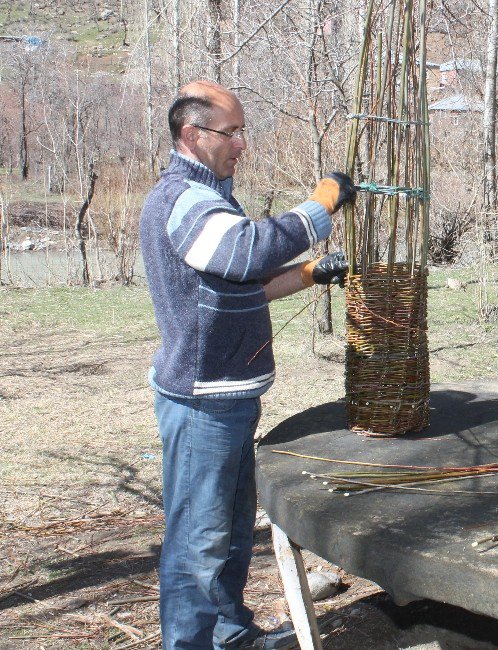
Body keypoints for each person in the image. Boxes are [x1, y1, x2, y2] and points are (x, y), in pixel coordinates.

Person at [139, 80, 355, 649]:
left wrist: (309, 274)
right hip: (200, 403)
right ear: (192, 133)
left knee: (231, 536)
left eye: (241, 131)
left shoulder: (210, 197)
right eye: (230, 133)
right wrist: (320, 206)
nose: (241, 145)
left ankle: (232, 637)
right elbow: (248, 250)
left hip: (229, 400)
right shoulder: (183, 198)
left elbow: (244, 285)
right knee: (196, 547)